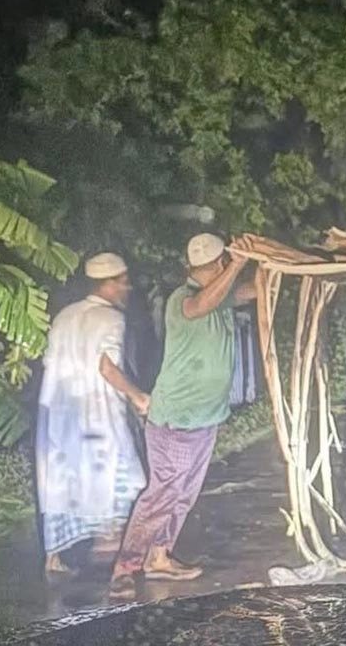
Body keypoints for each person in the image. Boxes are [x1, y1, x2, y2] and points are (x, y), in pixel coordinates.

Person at [109, 233, 257, 598]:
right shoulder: (182, 300)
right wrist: (238, 263)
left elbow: (252, 290)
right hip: (176, 420)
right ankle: (125, 568)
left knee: (183, 494)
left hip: (205, 418)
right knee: (162, 494)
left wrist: (268, 261)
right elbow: (201, 306)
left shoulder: (221, 296)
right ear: (216, 265)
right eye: (223, 264)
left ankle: (158, 557)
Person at [35, 253, 152, 578]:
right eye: (124, 282)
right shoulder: (111, 319)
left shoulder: (65, 316)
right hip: (96, 412)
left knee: (62, 479)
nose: (127, 288)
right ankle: (110, 549)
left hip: (57, 411)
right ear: (111, 284)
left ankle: (54, 558)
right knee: (117, 476)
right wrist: (138, 397)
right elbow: (106, 367)